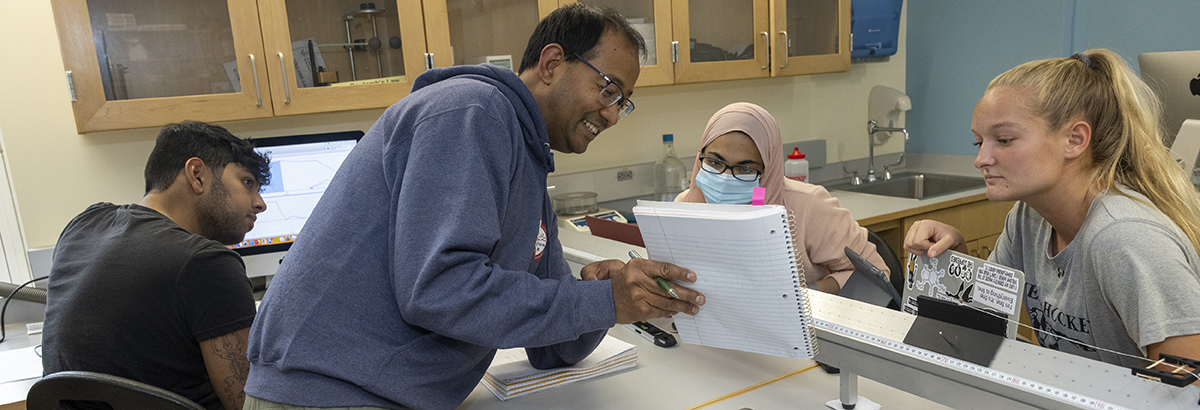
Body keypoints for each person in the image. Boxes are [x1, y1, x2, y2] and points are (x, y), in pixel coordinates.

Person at [243, 4, 704, 410]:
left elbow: (550, 350)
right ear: (552, 63)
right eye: (607, 89)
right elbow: (440, 290)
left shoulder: (529, 161)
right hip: (329, 393)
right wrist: (601, 300)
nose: (611, 114)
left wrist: (605, 300)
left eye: (622, 103)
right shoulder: (472, 111)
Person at [905, 49, 1200, 368]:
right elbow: (980, 318)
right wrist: (956, 257)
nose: (981, 159)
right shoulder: (1028, 218)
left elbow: (1189, 386)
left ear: (1074, 140)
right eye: (979, 142)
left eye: (1004, 140)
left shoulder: (1125, 238)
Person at [42, 121, 270, 410]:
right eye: (247, 183)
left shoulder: (83, 226)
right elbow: (249, 406)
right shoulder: (207, 262)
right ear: (197, 174)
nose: (260, 203)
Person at [675, 102, 890, 294]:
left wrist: (806, 295)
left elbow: (876, 274)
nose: (725, 178)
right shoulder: (683, 207)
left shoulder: (808, 207)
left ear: (767, 169)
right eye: (714, 162)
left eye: (745, 168)